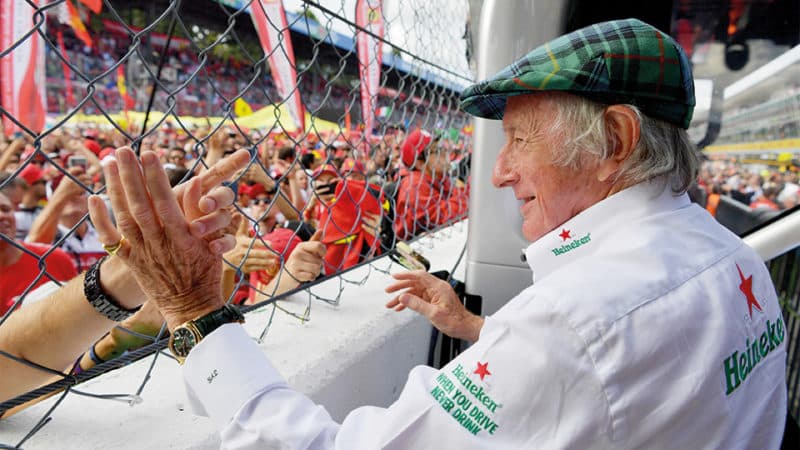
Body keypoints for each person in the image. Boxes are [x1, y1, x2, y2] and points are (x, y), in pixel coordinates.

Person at [78, 19, 788, 448]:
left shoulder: (581, 319)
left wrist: (197, 316)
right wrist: (474, 328)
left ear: (615, 139)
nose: (501, 172)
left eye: (516, 139)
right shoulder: (729, 254)